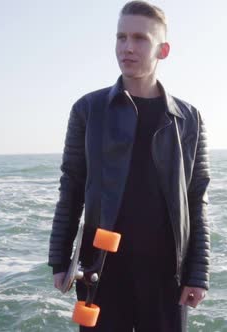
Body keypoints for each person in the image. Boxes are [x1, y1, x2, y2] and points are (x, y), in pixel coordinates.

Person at [48, 1, 210, 331]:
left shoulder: (188, 119)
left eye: (140, 39)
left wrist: (197, 273)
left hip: (166, 274)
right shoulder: (88, 110)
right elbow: (72, 186)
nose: (127, 48)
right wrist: (59, 259)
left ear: (162, 50)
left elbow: (197, 199)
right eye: (121, 37)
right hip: (101, 271)